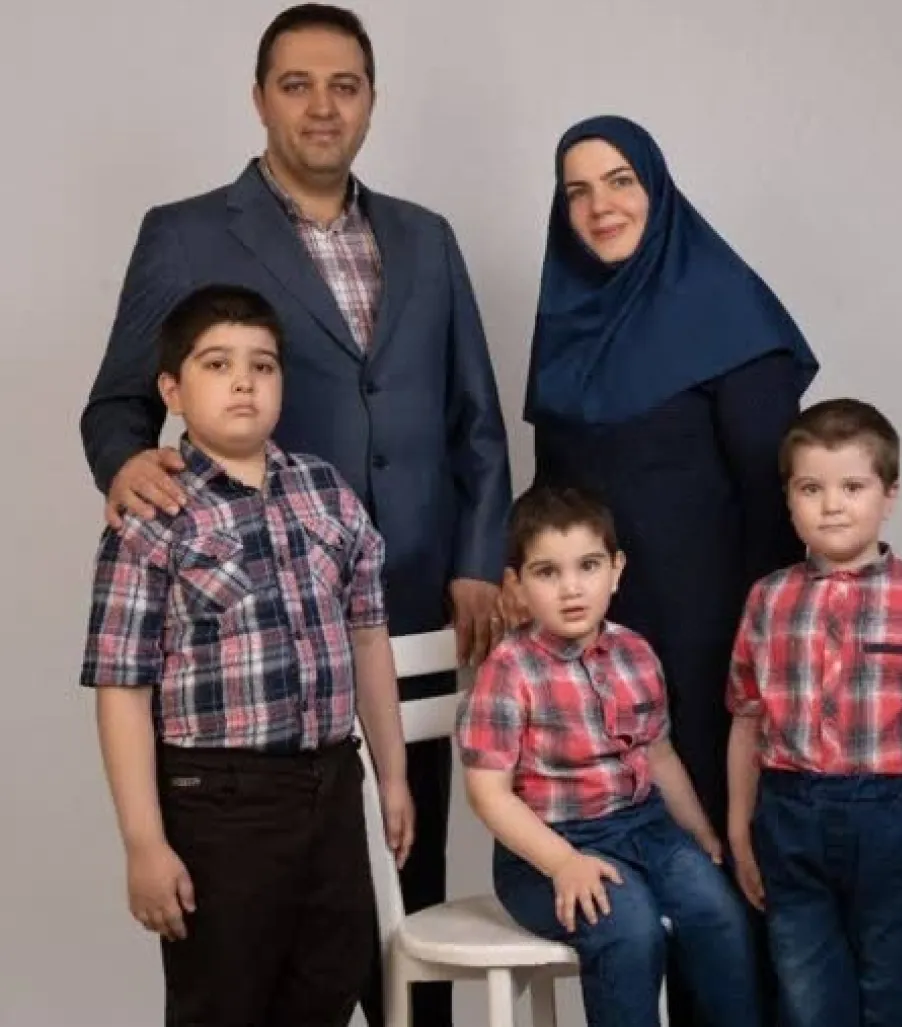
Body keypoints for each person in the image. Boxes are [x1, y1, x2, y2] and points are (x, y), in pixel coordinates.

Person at [80, 7, 510, 1024]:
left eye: (344, 85)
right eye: (297, 84)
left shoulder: (426, 237)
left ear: (371, 101)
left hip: (406, 609)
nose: (323, 106)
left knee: (404, 889)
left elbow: (476, 420)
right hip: (243, 638)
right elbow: (116, 404)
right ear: (260, 98)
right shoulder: (185, 233)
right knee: (255, 946)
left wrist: (477, 560)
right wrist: (127, 466)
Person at [521, 113, 818, 1023]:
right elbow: (551, 494)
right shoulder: (568, 323)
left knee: (731, 866)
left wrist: (766, 661)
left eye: (620, 181)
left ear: (657, 189)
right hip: (601, 646)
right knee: (658, 870)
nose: (599, 205)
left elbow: (775, 503)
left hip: (720, 636)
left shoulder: (725, 309)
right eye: (577, 190)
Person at [80, 285, 413, 1026]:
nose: (243, 382)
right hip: (218, 800)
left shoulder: (328, 494)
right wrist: (144, 841)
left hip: (331, 785)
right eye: (217, 364)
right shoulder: (153, 515)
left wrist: (392, 776)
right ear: (172, 389)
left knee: (330, 982)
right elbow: (122, 688)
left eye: (262, 366)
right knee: (224, 998)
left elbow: (367, 638)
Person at [726, 398, 902, 1027]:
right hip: (790, 821)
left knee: (896, 1003)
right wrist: (741, 828)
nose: (832, 505)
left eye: (852, 487)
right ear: (788, 499)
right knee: (807, 1003)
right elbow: (747, 718)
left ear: (889, 495)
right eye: (811, 488)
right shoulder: (767, 601)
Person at [458, 484, 762, 1027]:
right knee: (629, 929)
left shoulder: (634, 653)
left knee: (717, 915)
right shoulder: (509, 670)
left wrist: (699, 832)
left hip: (646, 828)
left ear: (617, 570)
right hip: (548, 847)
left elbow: (659, 756)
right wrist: (563, 863)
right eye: (547, 572)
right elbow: (489, 795)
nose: (571, 588)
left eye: (589, 566)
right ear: (517, 585)